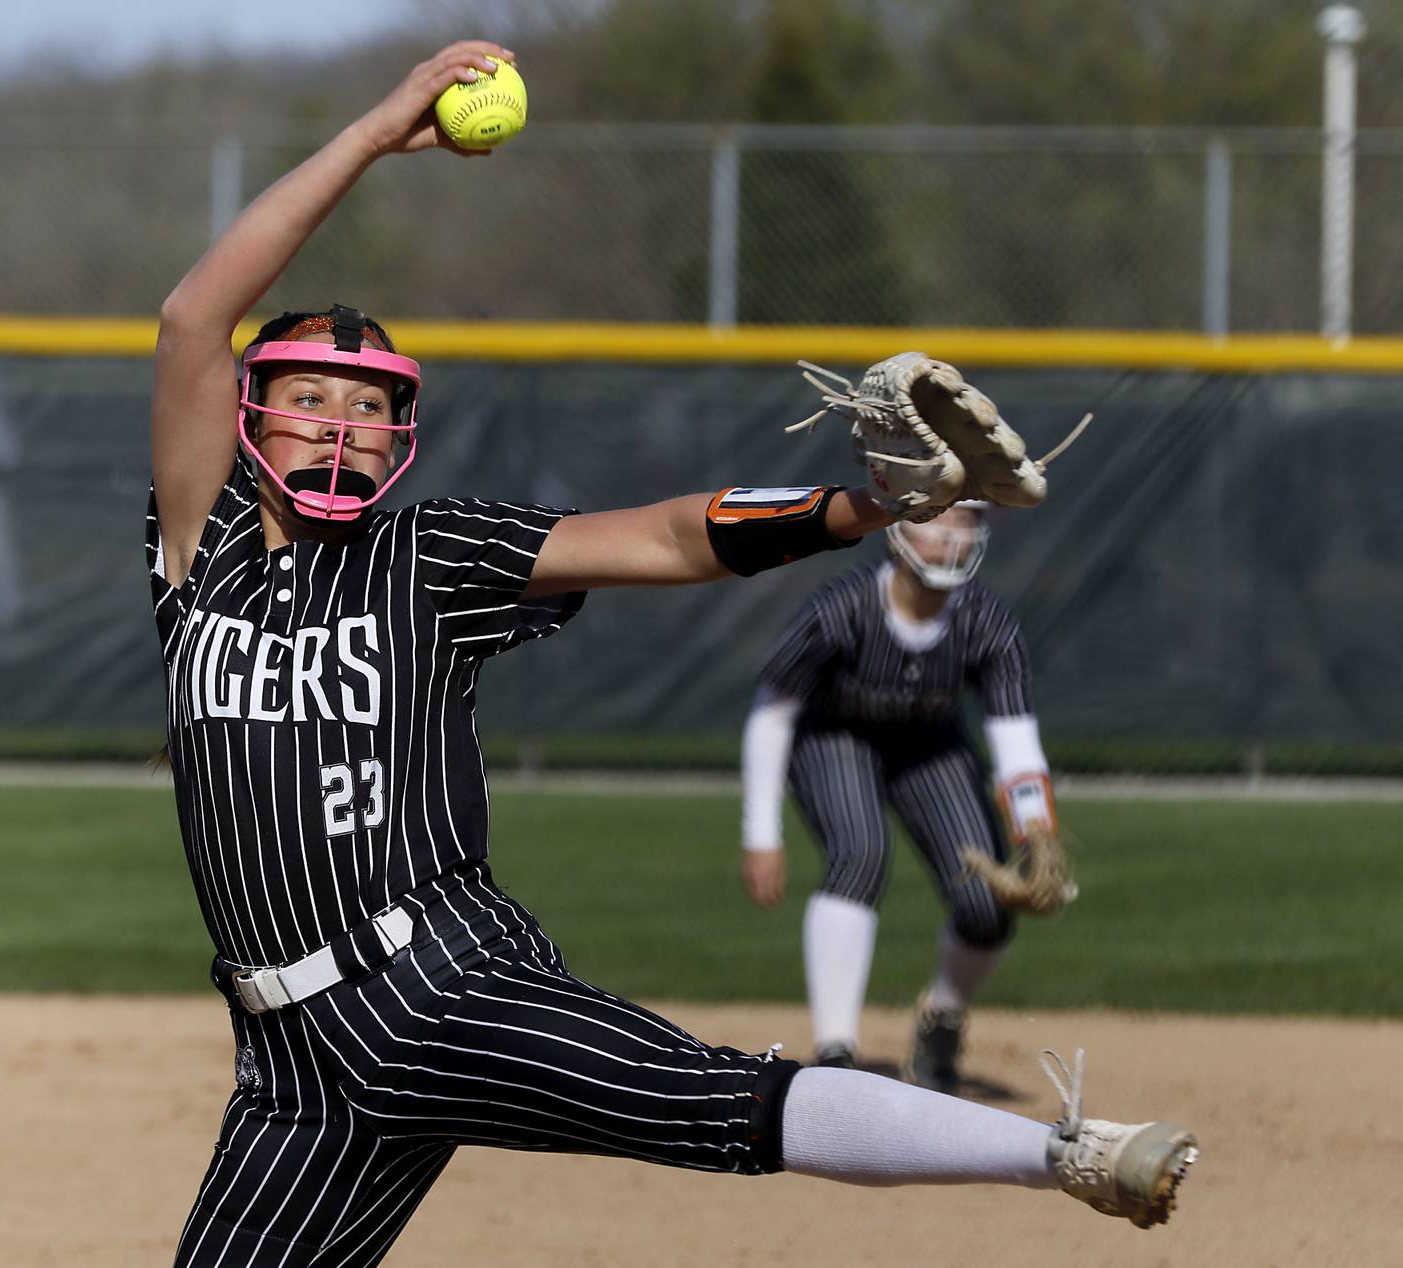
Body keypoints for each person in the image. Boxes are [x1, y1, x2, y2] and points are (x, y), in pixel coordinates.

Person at [147, 41, 1196, 1266]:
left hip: (436, 985)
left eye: (371, 406)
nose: (345, 423)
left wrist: (866, 506)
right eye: (315, 394)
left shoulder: (428, 557)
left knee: (708, 1101)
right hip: (289, 1063)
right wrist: (379, 132)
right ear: (250, 408)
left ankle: (1060, 1151)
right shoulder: (197, 546)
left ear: (400, 439)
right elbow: (190, 315)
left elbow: (660, 535)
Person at [739, 502, 1061, 1089]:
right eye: (934, 516)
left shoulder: (988, 624)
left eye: (964, 520)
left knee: (988, 906)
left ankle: (942, 1020)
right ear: (896, 526)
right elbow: (773, 712)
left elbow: (1015, 738)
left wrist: (1035, 831)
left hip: (928, 742)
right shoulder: (843, 607)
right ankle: (836, 1055)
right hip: (834, 734)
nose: (949, 535)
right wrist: (762, 834)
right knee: (859, 855)